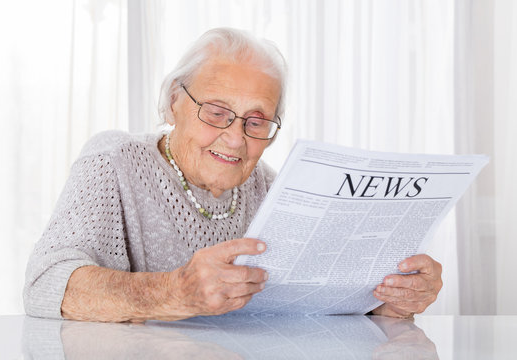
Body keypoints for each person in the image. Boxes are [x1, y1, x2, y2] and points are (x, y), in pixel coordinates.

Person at [24, 27, 442, 322]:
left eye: (255, 122)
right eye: (217, 112)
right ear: (174, 103)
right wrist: (175, 291)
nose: (234, 139)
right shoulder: (112, 161)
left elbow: (309, 300)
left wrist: (386, 302)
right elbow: (44, 285)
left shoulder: (275, 189)